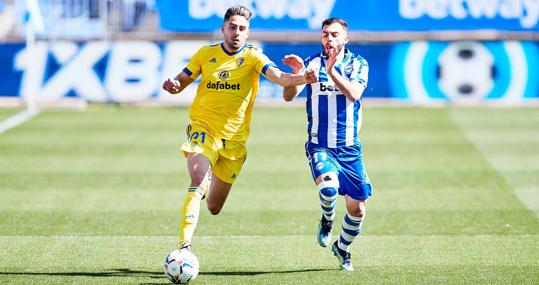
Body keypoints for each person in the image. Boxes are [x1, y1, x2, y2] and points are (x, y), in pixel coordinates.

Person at [162, 5, 317, 253]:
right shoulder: (205, 54)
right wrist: (172, 85)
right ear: (223, 29)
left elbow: (280, 78)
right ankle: (184, 248)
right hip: (204, 130)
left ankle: (209, 176)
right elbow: (181, 81)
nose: (236, 32)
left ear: (248, 32)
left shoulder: (254, 57)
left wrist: (302, 78)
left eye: (242, 28)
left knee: (213, 206)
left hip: (234, 142)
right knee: (198, 180)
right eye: (232, 27)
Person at [282, 18, 372, 271]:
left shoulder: (358, 64)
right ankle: (327, 220)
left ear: (346, 38)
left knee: (358, 210)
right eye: (324, 35)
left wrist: (332, 71)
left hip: (349, 149)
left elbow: (354, 94)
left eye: (334, 34)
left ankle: (342, 248)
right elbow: (288, 97)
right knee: (329, 189)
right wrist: (296, 77)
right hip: (319, 145)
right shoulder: (311, 63)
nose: (329, 39)